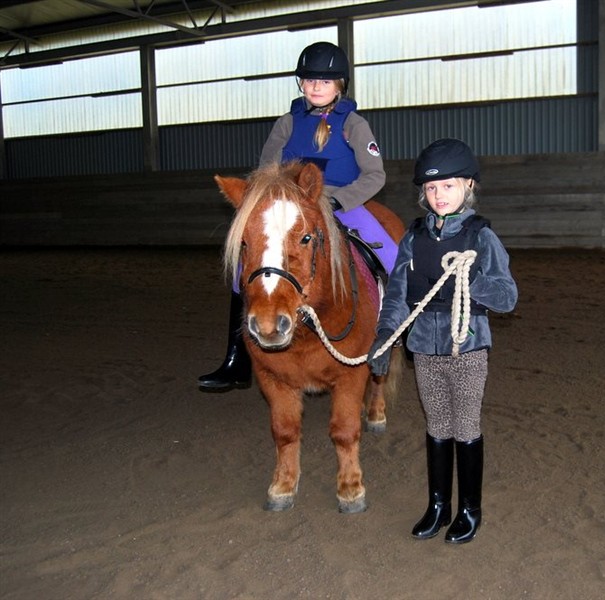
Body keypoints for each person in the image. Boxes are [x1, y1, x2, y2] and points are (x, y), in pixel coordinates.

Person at [198, 41, 397, 391]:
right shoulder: (288, 123)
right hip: (292, 210)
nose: (317, 87)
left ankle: (398, 335)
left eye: (326, 81)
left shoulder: (354, 124)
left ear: (340, 85)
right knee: (241, 276)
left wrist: (337, 202)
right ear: (300, 84)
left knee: (391, 257)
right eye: (309, 80)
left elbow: (375, 175)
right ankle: (236, 359)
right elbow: (266, 172)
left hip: (342, 203)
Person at [367, 138, 518, 544]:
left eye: (448, 186)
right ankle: (438, 505)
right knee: (436, 425)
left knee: (465, 424)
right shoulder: (413, 239)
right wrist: (385, 337)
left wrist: (472, 278)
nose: (439, 195)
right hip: (424, 349)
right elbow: (397, 295)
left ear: (469, 186)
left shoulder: (481, 237)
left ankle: (470, 509)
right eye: (432, 188)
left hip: (466, 349)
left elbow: (507, 296)